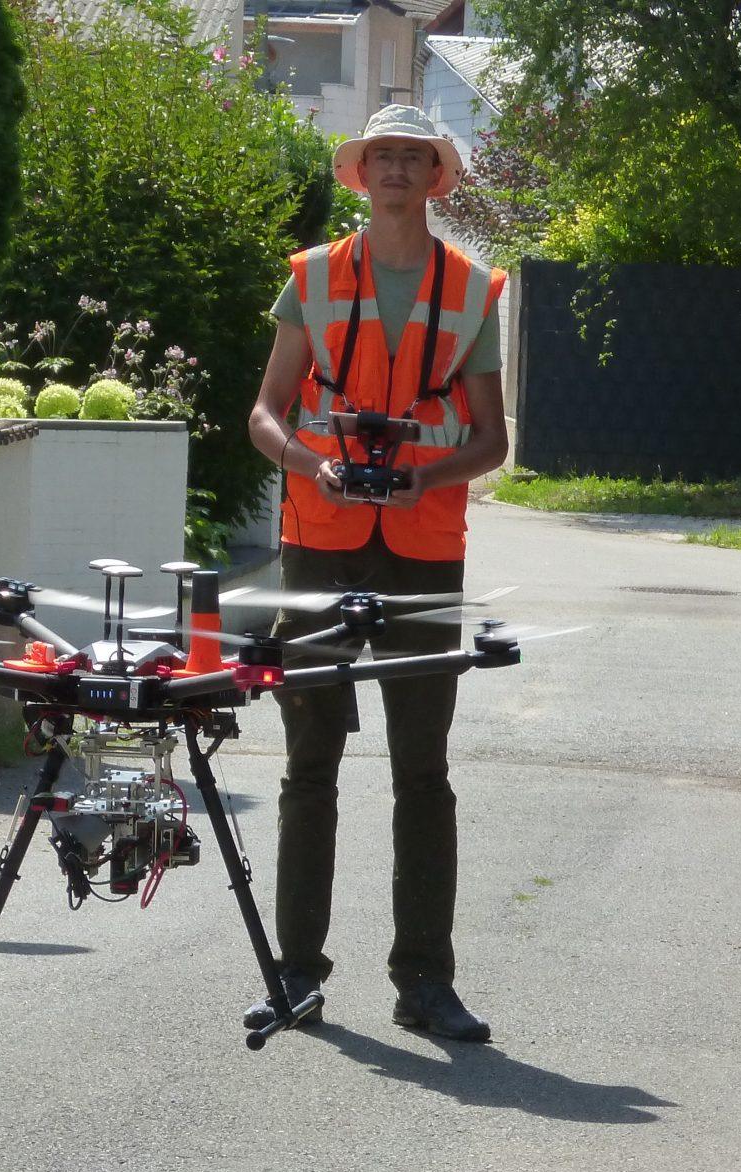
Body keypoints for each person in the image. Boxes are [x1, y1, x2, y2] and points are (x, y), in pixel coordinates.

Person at [243, 105, 508, 1043]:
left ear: (436, 177)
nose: (396, 169)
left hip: (425, 548)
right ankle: (296, 973)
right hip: (319, 539)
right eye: (382, 155)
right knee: (309, 763)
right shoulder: (313, 279)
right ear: (361, 174)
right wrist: (316, 465)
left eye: (414, 157)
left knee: (421, 771)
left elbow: (492, 440)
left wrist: (417, 478)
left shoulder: (472, 290)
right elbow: (266, 414)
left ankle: (424, 982)